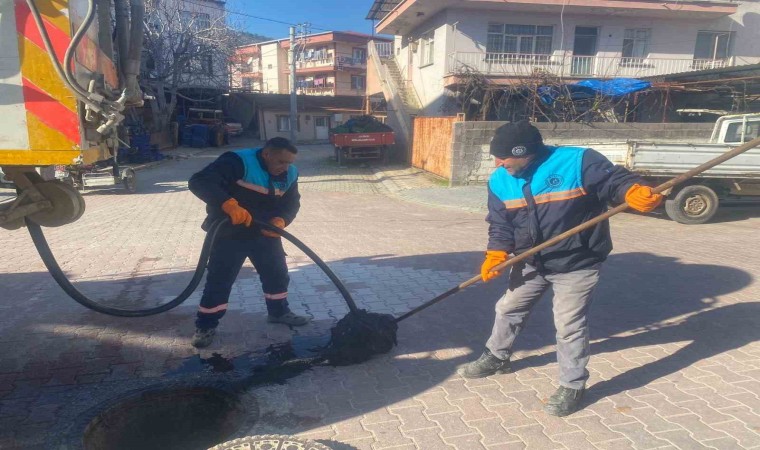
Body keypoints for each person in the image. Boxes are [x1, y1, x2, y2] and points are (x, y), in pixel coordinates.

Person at [458, 120, 663, 417]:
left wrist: (632, 190)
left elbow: (614, 181)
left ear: (524, 152)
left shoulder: (577, 161)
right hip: (531, 260)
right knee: (507, 308)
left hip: (577, 262)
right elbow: (501, 224)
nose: (498, 163)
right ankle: (496, 357)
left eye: (503, 157)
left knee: (568, 325)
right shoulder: (500, 180)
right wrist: (496, 253)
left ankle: (572, 384)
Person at [187, 137, 309, 348]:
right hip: (229, 233)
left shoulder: (290, 174)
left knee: (277, 274)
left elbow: (292, 203)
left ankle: (279, 312)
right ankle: (205, 326)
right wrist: (227, 204)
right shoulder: (237, 162)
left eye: (289, 162)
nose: (285, 167)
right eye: (281, 161)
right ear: (267, 154)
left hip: (265, 232)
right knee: (220, 280)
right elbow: (199, 181)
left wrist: (282, 220)